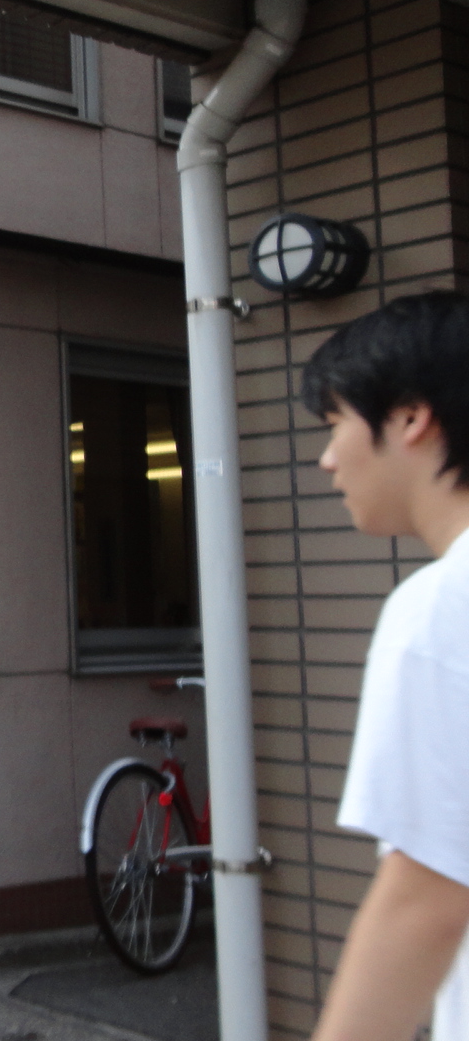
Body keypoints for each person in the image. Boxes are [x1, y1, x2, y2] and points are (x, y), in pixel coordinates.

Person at [305, 291, 469, 1041]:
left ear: (409, 417)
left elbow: (427, 896)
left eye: (336, 421)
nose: (328, 456)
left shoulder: (440, 609)